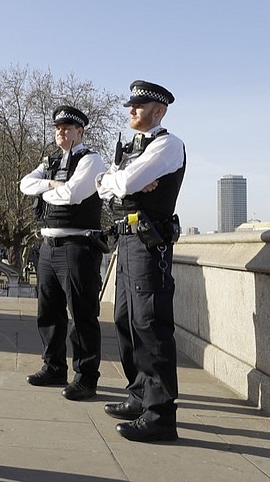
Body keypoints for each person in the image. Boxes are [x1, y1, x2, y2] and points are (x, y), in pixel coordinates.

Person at [96, 80, 186, 442]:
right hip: (127, 241)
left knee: (151, 326)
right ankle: (138, 396)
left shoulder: (167, 145)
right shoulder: (135, 149)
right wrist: (119, 181)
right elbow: (106, 187)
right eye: (131, 105)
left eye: (139, 106)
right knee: (125, 321)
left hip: (151, 245)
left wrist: (123, 182)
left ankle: (161, 414)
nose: (131, 110)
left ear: (158, 110)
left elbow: (126, 183)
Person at [20, 105, 107, 401]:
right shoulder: (50, 161)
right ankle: (53, 366)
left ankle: (85, 377)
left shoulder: (91, 159)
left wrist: (46, 190)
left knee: (82, 315)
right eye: (58, 128)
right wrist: (51, 184)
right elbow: (25, 184)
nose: (61, 132)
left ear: (79, 131)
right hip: (48, 247)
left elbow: (73, 195)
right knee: (49, 313)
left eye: (67, 128)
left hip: (78, 246)